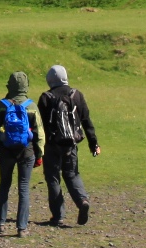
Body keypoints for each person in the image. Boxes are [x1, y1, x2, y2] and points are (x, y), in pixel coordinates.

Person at [37, 64, 101, 226]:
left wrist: (36, 147)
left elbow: (39, 125)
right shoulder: (76, 95)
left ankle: (58, 216)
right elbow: (86, 121)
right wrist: (94, 144)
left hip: (51, 145)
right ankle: (82, 201)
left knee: (53, 179)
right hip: (71, 144)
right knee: (72, 174)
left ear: (50, 79)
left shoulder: (46, 97)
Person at [0, 71, 44, 237]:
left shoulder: (1, 105)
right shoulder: (32, 106)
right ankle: (22, 227)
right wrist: (39, 154)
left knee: (4, 184)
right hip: (27, 151)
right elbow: (40, 134)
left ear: (9, 86)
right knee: (24, 188)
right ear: (26, 86)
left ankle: (0, 222)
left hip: (5, 150)